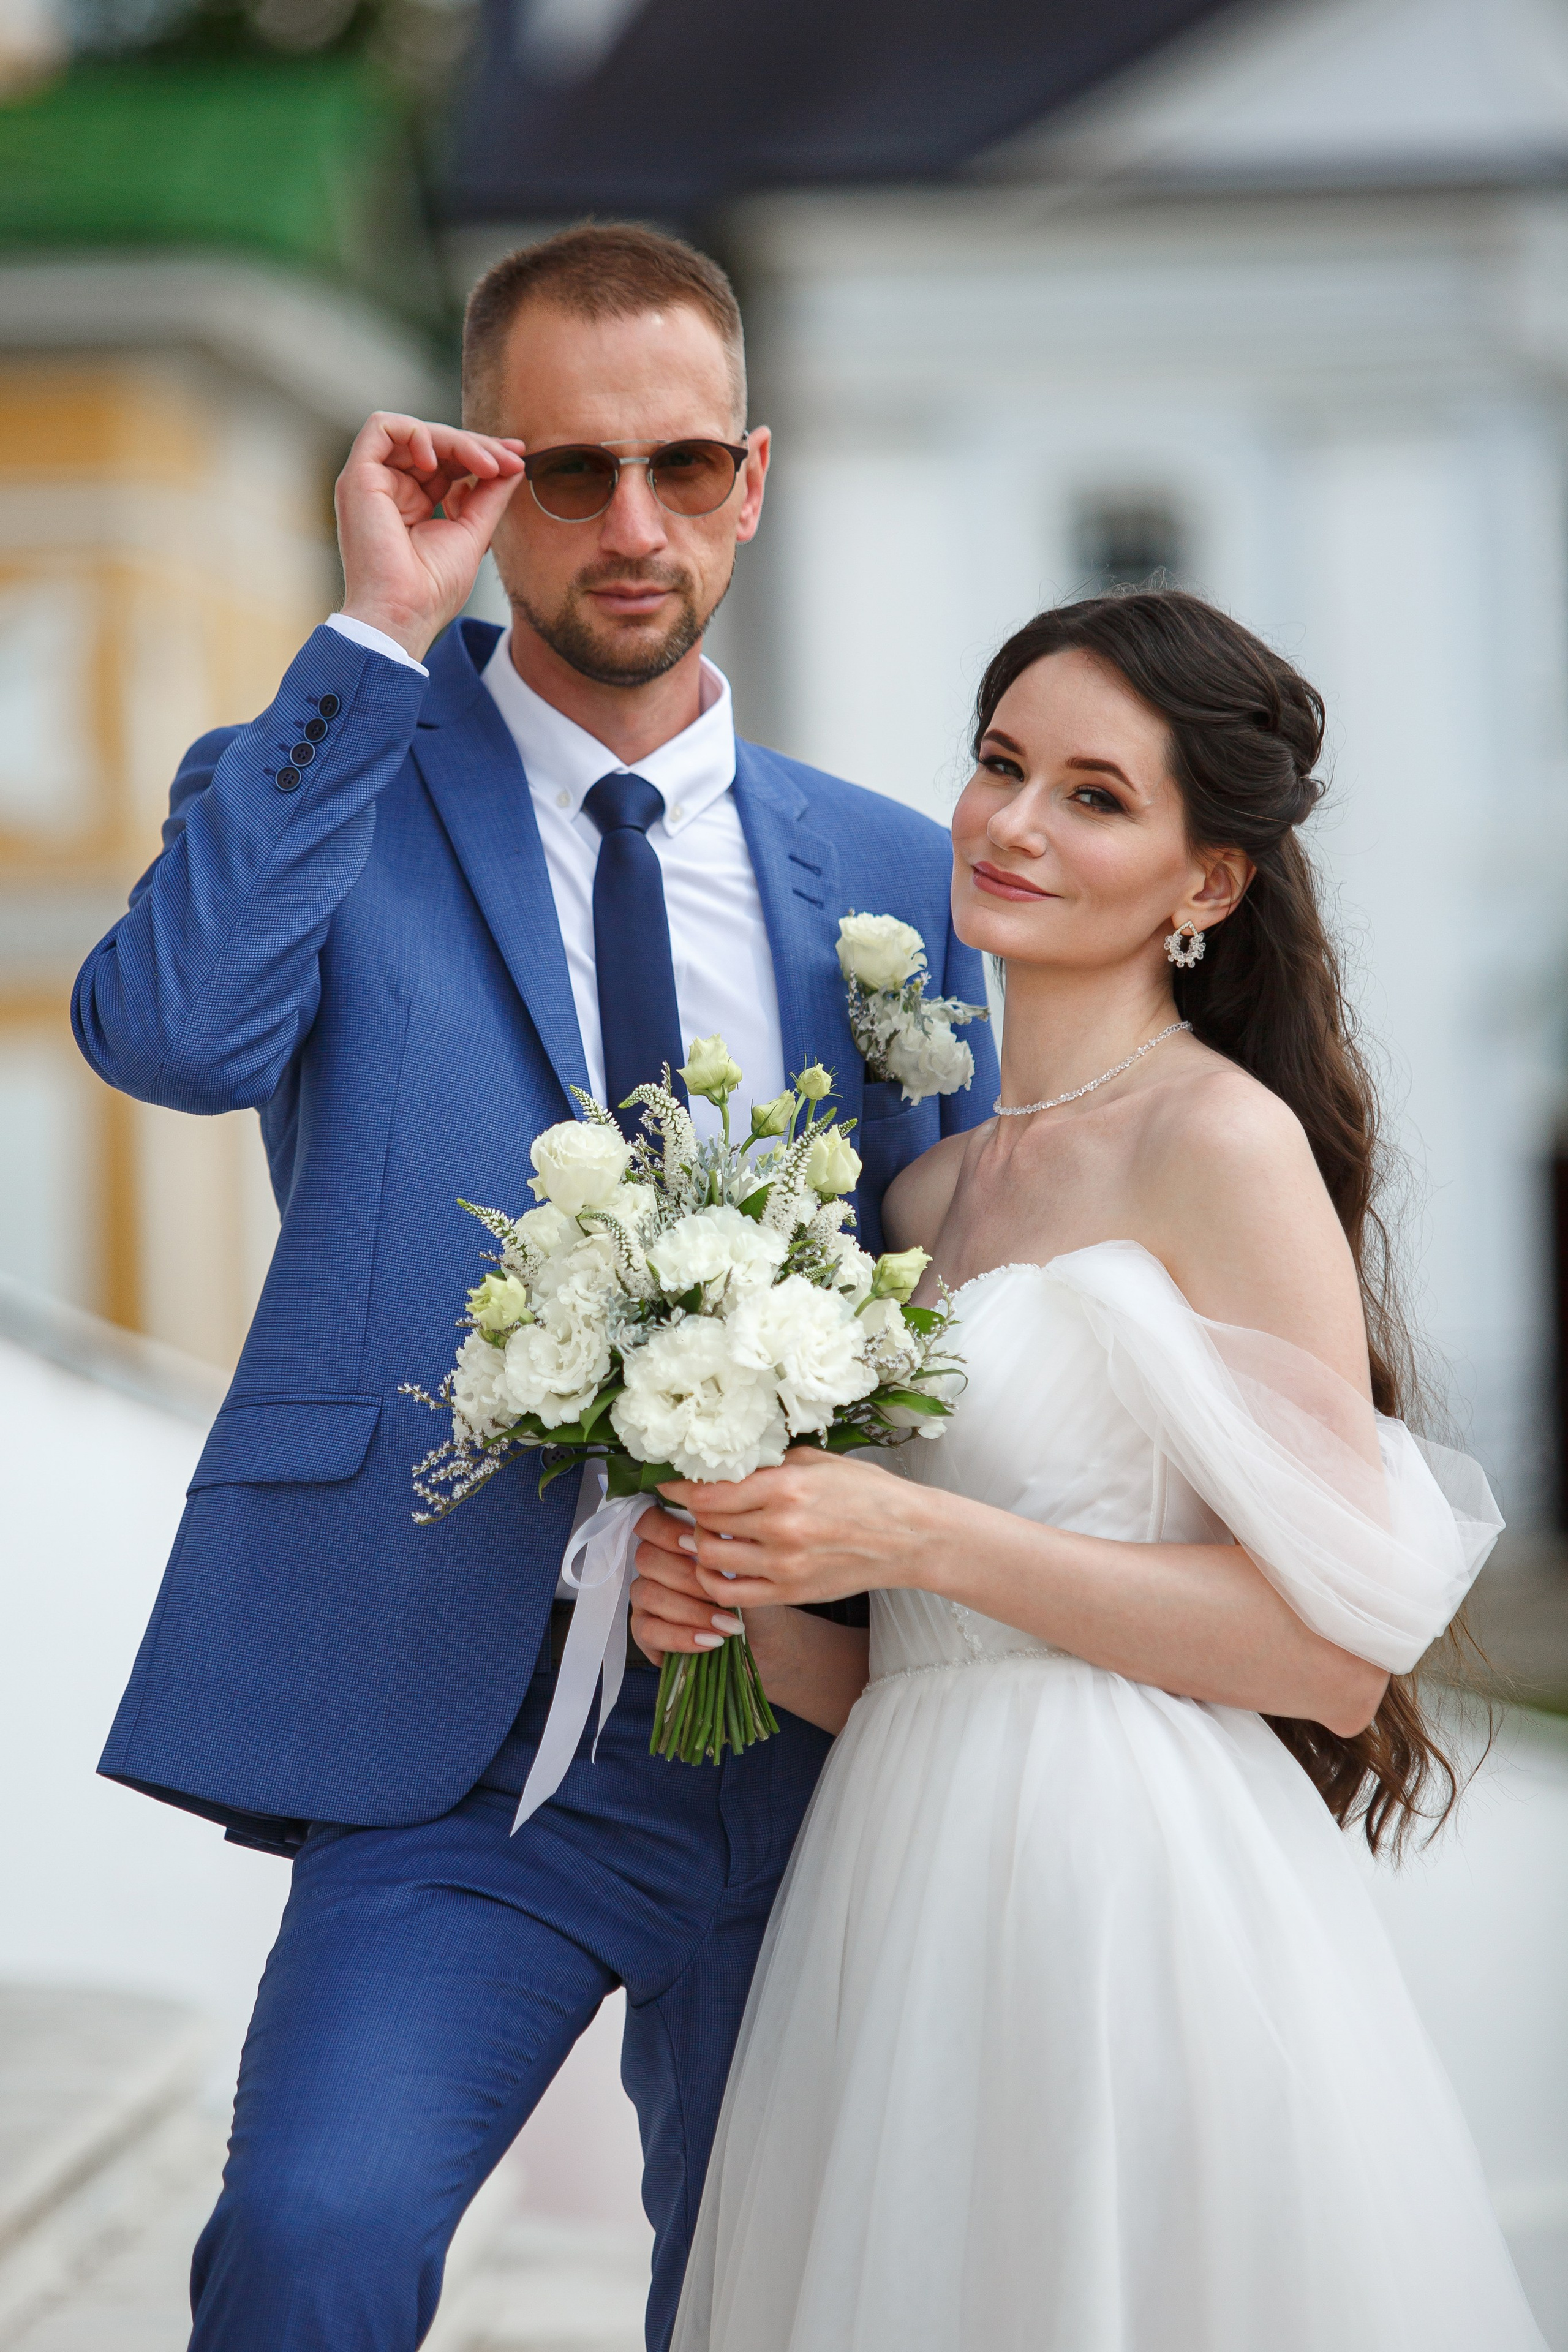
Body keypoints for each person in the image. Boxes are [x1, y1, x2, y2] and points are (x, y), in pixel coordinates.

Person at [70, 223, 997, 2351]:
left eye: (684, 466)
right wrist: (373, 629)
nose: (635, 525)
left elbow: (971, 1286)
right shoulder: (324, 781)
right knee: (312, 2244)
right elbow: (174, 1041)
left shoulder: (889, 881)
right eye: (568, 473)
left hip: (831, 1729)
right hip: (458, 1742)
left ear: (754, 478)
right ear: (480, 476)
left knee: (796, 2300)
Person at [632, 590, 1544, 2351]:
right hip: (894, 1893)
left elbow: (1331, 1652)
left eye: (1095, 795)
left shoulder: (1221, 1140)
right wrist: (732, 1609)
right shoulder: (914, 1203)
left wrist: (922, 1530)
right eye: (999, 765)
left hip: (1130, 1895)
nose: (1014, 823)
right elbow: (902, 1650)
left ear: (1208, 884)